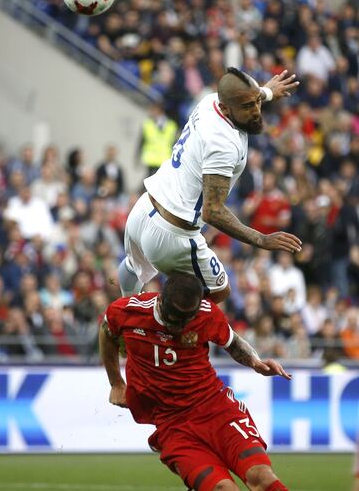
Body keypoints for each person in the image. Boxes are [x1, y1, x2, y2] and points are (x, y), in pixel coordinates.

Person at [118, 68, 302, 303]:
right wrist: (260, 239)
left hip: (144, 209)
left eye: (257, 102)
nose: (256, 112)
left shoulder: (209, 101)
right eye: (248, 107)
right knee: (219, 292)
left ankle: (121, 313)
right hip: (172, 232)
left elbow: (243, 95)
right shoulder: (223, 143)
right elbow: (212, 211)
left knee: (134, 269)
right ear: (226, 108)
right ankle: (161, 328)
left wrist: (266, 92)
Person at [100, 272, 291, 491]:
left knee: (261, 476)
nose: (180, 327)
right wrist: (116, 382)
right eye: (175, 320)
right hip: (173, 425)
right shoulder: (128, 311)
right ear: (160, 301)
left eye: (186, 321)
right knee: (223, 489)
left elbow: (233, 343)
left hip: (216, 409)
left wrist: (255, 362)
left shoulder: (207, 313)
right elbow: (106, 332)